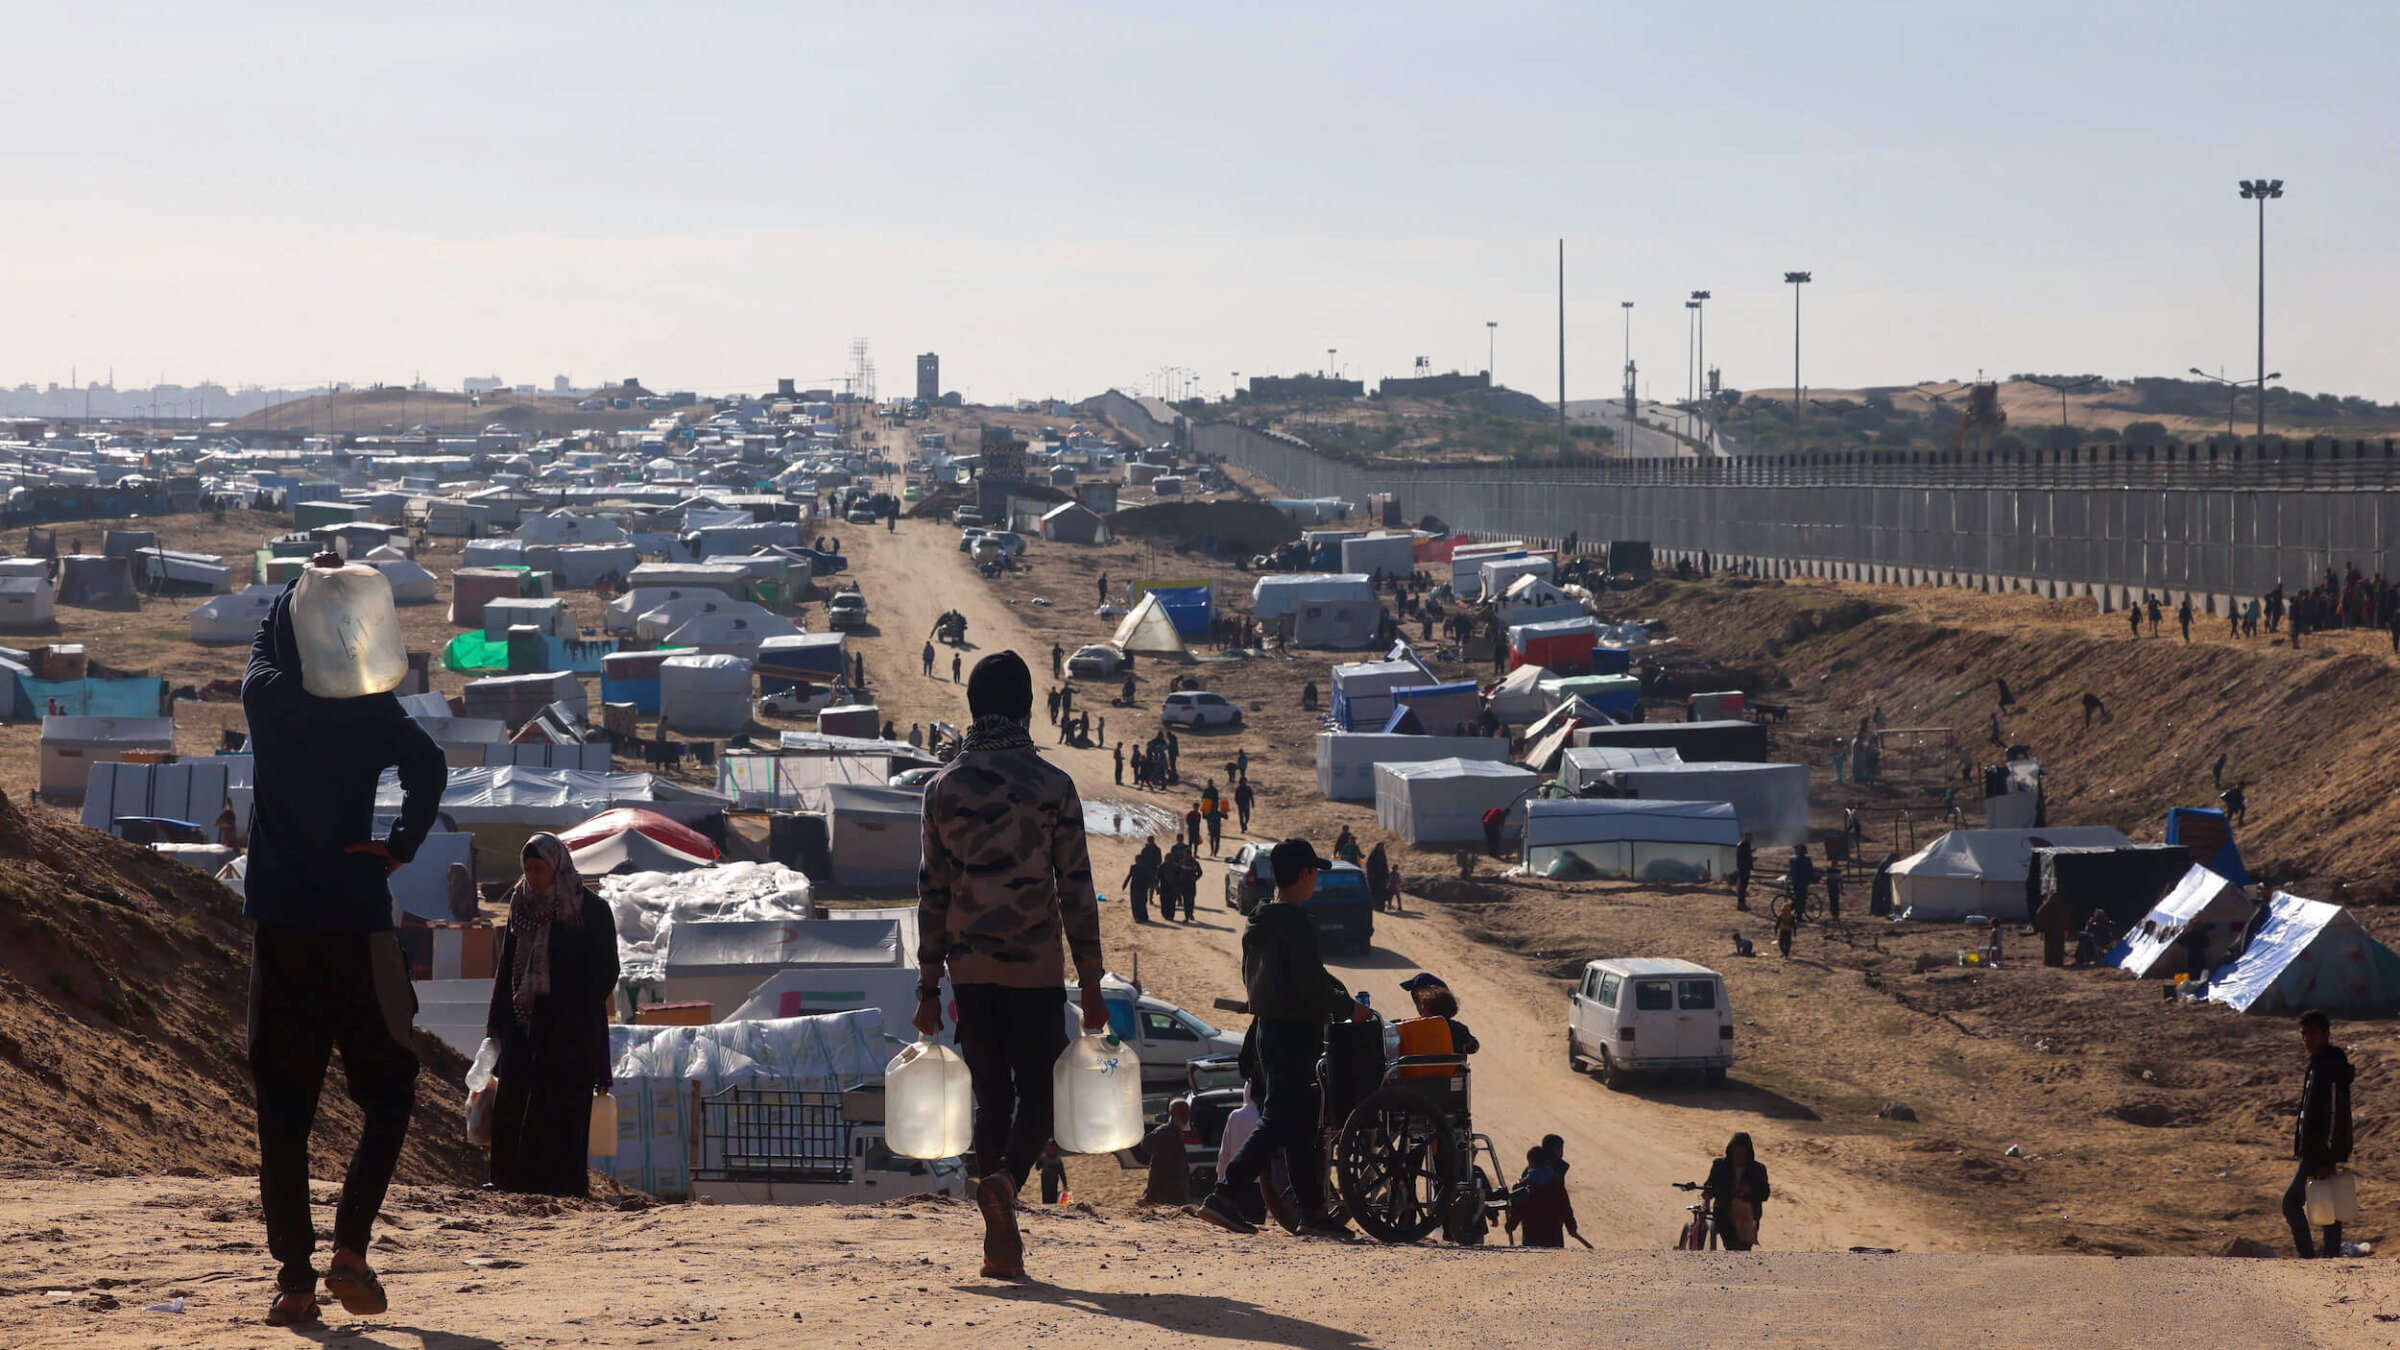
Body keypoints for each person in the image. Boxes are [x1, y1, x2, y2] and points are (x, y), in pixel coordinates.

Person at [241, 560, 448, 1327]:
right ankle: (351, 1249)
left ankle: (294, 1281)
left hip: (282, 932)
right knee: (390, 1091)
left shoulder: (267, 697)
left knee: (283, 1111)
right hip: (356, 929)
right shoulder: (369, 707)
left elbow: (267, 642)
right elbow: (429, 765)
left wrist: (294, 588)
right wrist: (399, 845)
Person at [914, 650, 1109, 1281]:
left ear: (972, 707)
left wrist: (927, 983)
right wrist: (1093, 980)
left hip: (971, 974)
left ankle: (1000, 1242)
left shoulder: (942, 788)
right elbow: (1076, 887)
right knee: (1043, 1093)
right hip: (1034, 969)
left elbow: (932, 894)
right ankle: (1005, 1182)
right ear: (1026, 707)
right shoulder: (1052, 786)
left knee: (992, 1097)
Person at [1200, 840, 1370, 1239]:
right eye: (1315, 873)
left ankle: (1311, 1212)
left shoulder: (1259, 919)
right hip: (1294, 1032)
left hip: (1268, 1030)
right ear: (1306, 873)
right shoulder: (1296, 923)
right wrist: (1349, 1009)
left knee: (1301, 1124)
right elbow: (1311, 982)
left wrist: (1338, 996)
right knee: (1280, 1118)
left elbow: (1285, 977)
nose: (1316, 881)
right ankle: (1224, 1196)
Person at [484, 835, 619, 1197]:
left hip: (569, 1030)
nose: (532, 877)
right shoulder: (521, 905)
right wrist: (496, 1023)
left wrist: (571, 1008)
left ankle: (563, 1186)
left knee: (561, 1105)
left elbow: (606, 970)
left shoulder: (589, 910)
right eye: (527, 870)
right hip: (523, 1022)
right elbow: (507, 964)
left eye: (539, 869)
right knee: (513, 1102)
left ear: (557, 867)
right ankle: (508, 1179)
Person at [2284, 1009, 2355, 1259]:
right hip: (2316, 1151)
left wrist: (2327, 1158)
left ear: (2326, 1034)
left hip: (2319, 1153)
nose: (2307, 1039)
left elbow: (2335, 1115)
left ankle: (2309, 1259)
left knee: (2291, 1204)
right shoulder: (2317, 1064)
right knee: (2328, 1204)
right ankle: (2331, 1258)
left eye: (2311, 1033)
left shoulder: (2330, 1065)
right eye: (2303, 1034)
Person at [1704, 1133, 1771, 1250]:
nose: (1738, 1155)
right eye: (1736, 1151)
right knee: (1731, 1246)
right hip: (1724, 1213)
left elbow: (1764, 1194)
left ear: (1748, 1153)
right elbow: (1710, 1184)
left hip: (1748, 1215)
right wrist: (1709, 1192)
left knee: (1744, 1249)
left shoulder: (1758, 1169)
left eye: (1742, 1152)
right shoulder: (1720, 1165)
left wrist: (1750, 1190)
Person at [1505, 1144, 1579, 1248]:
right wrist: (1571, 1227)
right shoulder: (1555, 1182)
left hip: (1531, 1232)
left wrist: (1510, 1226)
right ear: (1547, 1162)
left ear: (1530, 1162)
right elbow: (1565, 1206)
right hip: (1554, 1233)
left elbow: (1518, 1208)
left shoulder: (1524, 1184)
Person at [1399, 973, 1479, 1054]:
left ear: (1423, 1007)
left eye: (1417, 1000)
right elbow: (1473, 1048)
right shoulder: (1460, 1029)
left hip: (1418, 1066)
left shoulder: (1410, 1028)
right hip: (1452, 1066)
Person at [1141, 1101, 1193, 1206]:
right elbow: (1156, 1166)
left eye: (1187, 1112)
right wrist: (1151, 1192)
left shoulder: (1175, 1133)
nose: (1186, 1116)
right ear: (1172, 1113)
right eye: (1182, 1112)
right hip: (1167, 1194)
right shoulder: (1166, 1136)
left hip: (1178, 1191)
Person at [1124, 839, 1160, 924]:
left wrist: (1155, 885)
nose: (1138, 861)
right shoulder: (1134, 867)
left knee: (1143, 901)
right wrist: (1125, 884)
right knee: (1135, 902)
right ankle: (1136, 917)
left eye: (1139, 860)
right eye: (1137, 860)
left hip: (1143, 886)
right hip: (1135, 887)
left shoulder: (1145, 868)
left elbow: (1150, 877)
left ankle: (1144, 916)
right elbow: (1129, 876)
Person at [2035, 890, 2070, 968]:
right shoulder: (2048, 907)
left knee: (2055, 947)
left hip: (2056, 931)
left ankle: (2054, 961)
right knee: (2051, 947)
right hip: (2052, 931)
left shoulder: (2058, 907)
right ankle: (2051, 961)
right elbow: (2039, 916)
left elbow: (2066, 918)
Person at [1786, 845, 1816, 919]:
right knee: (1801, 900)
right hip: (1803, 881)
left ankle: (1789, 909)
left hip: (1795, 881)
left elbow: (1791, 870)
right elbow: (1810, 871)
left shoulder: (1792, 858)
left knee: (1798, 898)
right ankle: (1798, 915)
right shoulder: (1806, 860)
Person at [1364, 842, 1390, 912]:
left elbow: (1385, 865)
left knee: (1382, 892)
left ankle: (1381, 907)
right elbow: (1369, 865)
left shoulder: (1383, 855)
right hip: (1374, 878)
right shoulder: (1373, 855)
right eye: (1380, 847)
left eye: (1382, 847)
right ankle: (1374, 906)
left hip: (1382, 877)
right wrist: (1371, 874)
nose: (1382, 848)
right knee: (1374, 892)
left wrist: (1387, 875)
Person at [1733, 833, 1754, 912]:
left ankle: (1742, 904)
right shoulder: (1742, 845)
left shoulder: (1746, 845)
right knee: (1742, 887)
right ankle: (1741, 905)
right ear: (1746, 837)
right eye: (1750, 837)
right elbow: (1743, 858)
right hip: (1743, 869)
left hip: (1745, 869)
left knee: (1744, 887)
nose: (1751, 838)